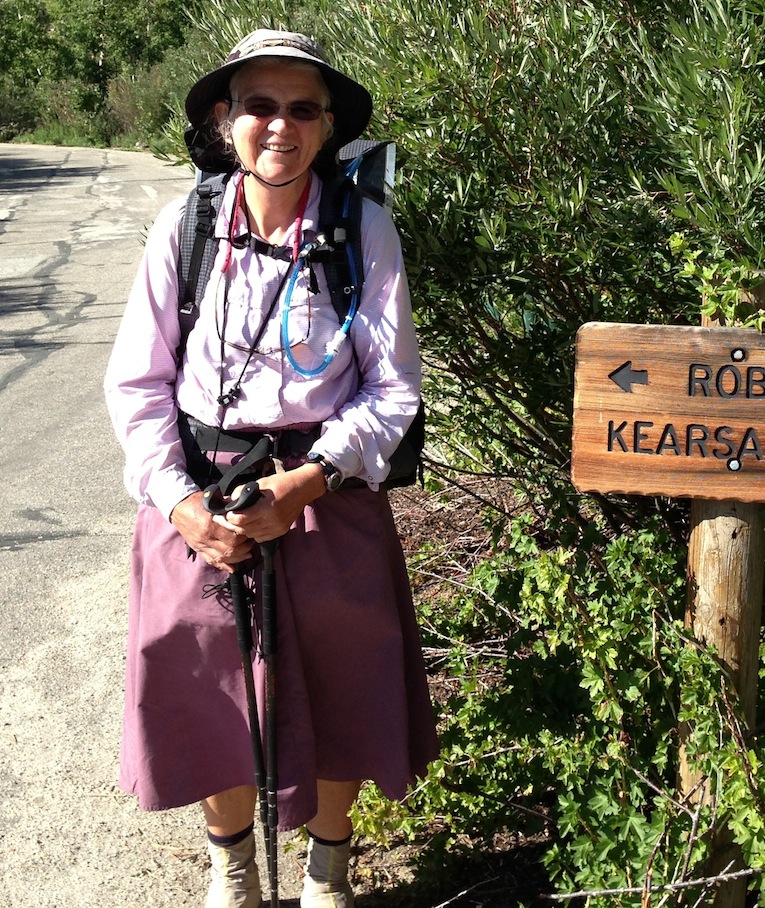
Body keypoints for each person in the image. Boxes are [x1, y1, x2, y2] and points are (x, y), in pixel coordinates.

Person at [103, 30, 439, 908]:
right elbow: (137, 383)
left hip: (324, 494)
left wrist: (308, 482)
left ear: (328, 129)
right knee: (204, 679)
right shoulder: (184, 229)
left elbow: (393, 389)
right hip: (198, 497)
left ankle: (327, 876)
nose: (278, 126)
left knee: (343, 681)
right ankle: (235, 872)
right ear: (226, 119)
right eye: (259, 105)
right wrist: (178, 504)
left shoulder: (361, 228)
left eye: (301, 109)